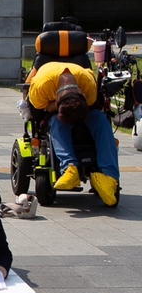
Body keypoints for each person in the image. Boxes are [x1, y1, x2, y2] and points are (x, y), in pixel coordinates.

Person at [26, 61, 119, 206]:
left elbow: (92, 104)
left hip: (83, 105)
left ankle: (108, 176)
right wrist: (53, 108)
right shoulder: (40, 86)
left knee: (101, 120)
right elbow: (38, 111)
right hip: (52, 104)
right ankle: (69, 167)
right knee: (57, 123)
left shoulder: (87, 84)